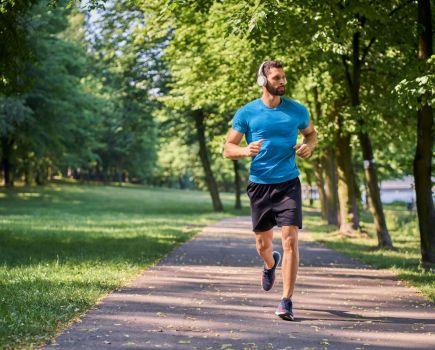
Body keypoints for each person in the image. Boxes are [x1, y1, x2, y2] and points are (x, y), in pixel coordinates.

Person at [223, 60, 317, 321]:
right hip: (260, 184)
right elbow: (227, 148)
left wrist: (310, 146)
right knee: (263, 245)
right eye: (276, 78)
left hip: (288, 182)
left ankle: (286, 301)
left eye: (283, 77)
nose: (282, 82)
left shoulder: (297, 110)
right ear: (263, 81)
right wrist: (245, 150)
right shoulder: (247, 113)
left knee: (290, 240)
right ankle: (269, 263)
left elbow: (311, 134)